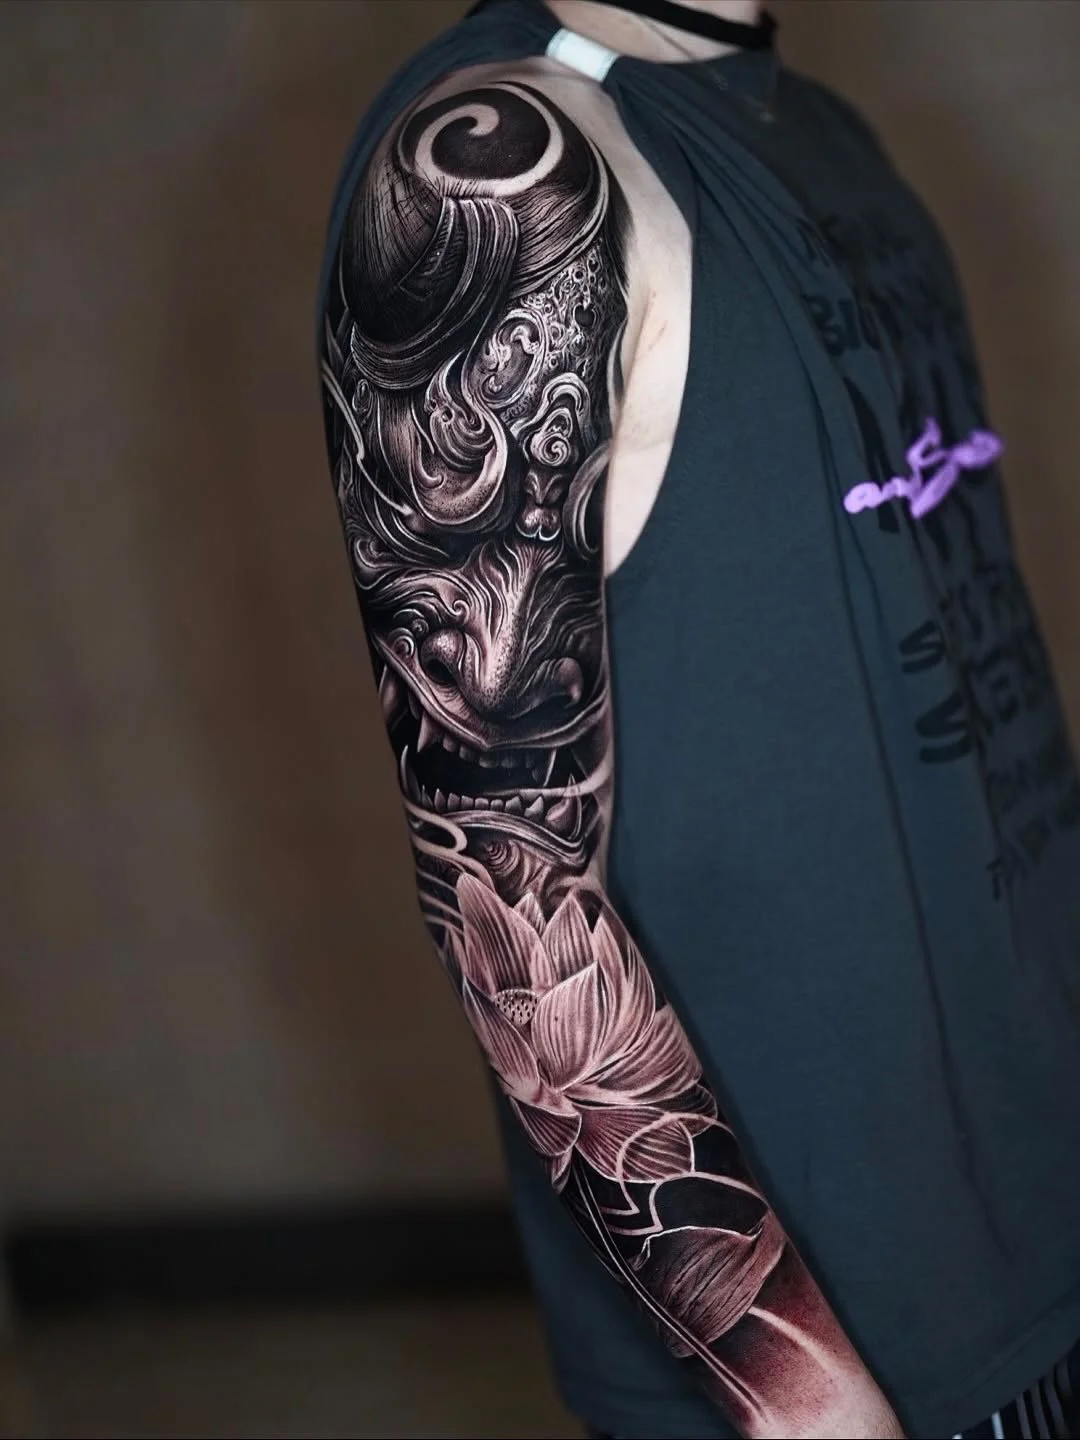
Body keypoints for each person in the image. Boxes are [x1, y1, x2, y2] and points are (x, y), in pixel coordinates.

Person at [314, 1, 1080, 1435]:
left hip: (1036, 1227)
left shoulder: (825, 134)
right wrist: (805, 1403)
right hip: (875, 1351)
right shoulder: (505, 173)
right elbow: (512, 903)